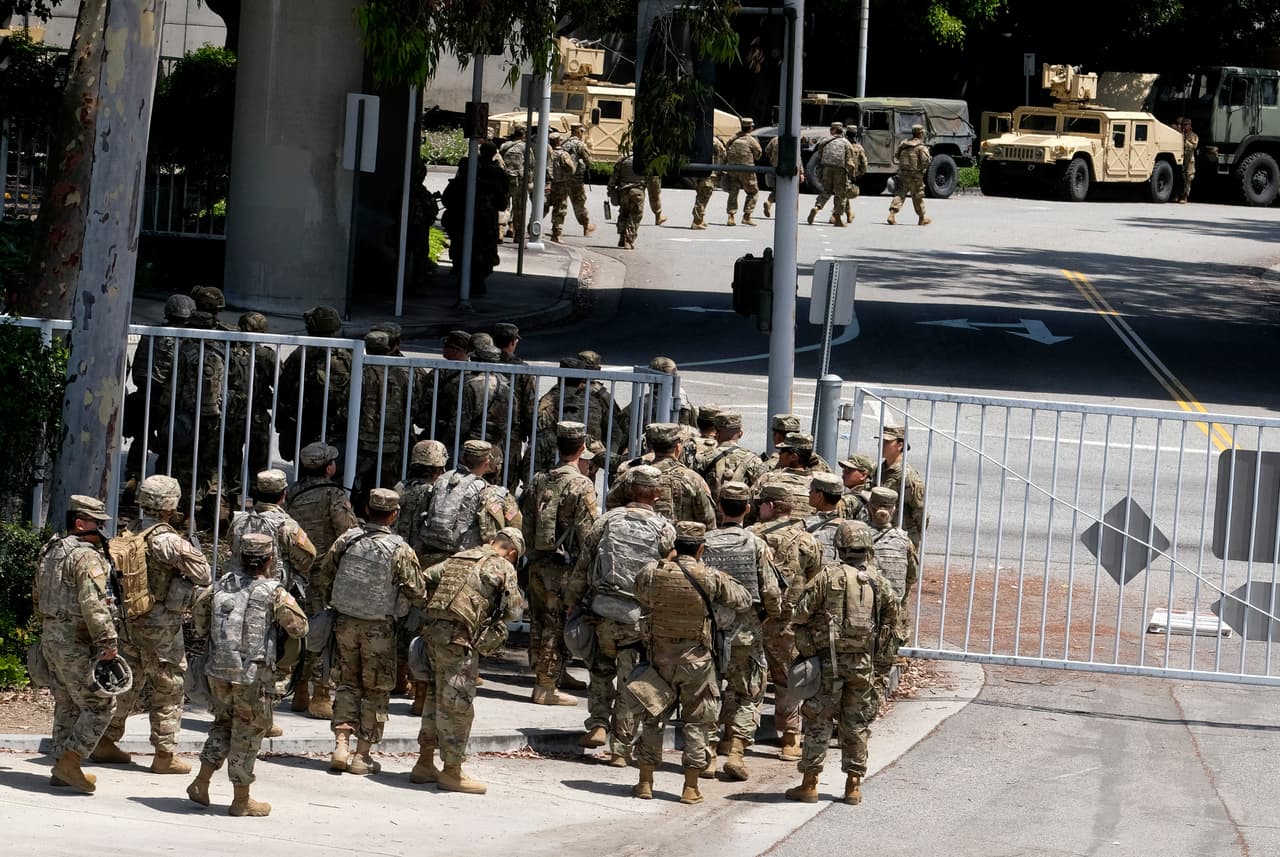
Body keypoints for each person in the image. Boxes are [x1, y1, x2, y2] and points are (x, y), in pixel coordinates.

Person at [630, 521, 752, 804]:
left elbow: (640, 595)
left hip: (658, 657)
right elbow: (744, 600)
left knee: (652, 719)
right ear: (701, 549)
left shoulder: (652, 572)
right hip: (697, 662)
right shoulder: (711, 576)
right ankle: (690, 788)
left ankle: (645, 782)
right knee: (697, 723)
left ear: (674, 547)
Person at [97, 475, 212, 773]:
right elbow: (204, 575)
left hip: (127, 620)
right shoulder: (167, 540)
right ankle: (164, 754)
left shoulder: (128, 531)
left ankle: (105, 741)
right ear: (170, 505)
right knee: (168, 686)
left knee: (124, 682)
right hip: (161, 626)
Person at [187, 534, 308, 816]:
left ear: (241, 557)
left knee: (223, 725)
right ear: (269, 560)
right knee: (248, 734)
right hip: (251, 676)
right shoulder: (273, 591)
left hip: (218, 671)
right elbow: (299, 627)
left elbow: (199, 618)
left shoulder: (221, 585)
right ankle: (241, 800)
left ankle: (201, 782)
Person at [565, 465, 676, 765]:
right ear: (657, 493)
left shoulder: (607, 521)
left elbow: (584, 565)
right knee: (630, 678)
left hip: (601, 609)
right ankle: (621, 748)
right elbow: (667, 575)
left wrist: (573, 600)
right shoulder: (665, 529)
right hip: (637, 617)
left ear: (629, 489)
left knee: (599, 668)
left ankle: (598, 724)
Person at [784, 520, 899, 805]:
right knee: (856, 724)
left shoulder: (827, 577)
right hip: (864, 665)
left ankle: (810, 784)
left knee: (818, 720)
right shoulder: (879, 582)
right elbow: (891, 629)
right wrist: (882, 669)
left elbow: (800, 613)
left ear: (839, 547)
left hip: (827, 663)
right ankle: (853, 786)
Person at [413, 528, 526, 794]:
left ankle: (424, 762)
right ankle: (452, 771)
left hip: (433, 635)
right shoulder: (503, 566)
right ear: (511, 552)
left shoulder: (460, 557)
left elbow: (425, 578)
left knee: (434, 696)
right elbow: (514, 610)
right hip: (460, 641)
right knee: (458, 705)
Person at [323, 488, 427, 775]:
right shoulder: (400, 549)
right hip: (379, 628)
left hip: (344, 622)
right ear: (394, 515)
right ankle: (363, 755)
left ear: (367, 510)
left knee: (346, 682)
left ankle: (340, 746)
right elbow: (418, 591)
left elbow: (324, 572)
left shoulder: (347, 539)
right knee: (376, 689)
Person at [34, 495, 120, 793]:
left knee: (68, 703)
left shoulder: (51, 549)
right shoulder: (85, 555)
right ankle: (70, 762)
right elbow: (93, 602)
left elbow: (37, 594)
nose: (101, 530)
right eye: (97, 524)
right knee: (101, 703)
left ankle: (62, 767)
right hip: (75, 641)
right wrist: (107, 640)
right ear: (80, 523)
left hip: (52, 636)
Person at [703, 481, 781, 782]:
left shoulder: (705, 541)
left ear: (719, 507)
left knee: (709, 693)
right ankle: (736, 750)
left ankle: (708, 754)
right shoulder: (756, 544)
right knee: (748, 693)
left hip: (710, 631)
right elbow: (771, 592)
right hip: (747, 633)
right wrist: (771, 617)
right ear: (747, 509)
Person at [284, 442, 360, 718]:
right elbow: (347, 532)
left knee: (301, 630)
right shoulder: (334, 495)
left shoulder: (292, 493)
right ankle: (321, 694)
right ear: (329, 468)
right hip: (327, 575)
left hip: (299, 572)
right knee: (325, 633)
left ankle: (300, 690)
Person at [750, 483, 823, 761]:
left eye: (761, 504)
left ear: (770, 506)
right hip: (788, 621)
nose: (759, 508)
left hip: (754, 617)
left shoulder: (752, 536)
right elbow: (815, 582)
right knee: (788, 679)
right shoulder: (808, 541)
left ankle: (736, 737)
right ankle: (790, 739)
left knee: (748, 678)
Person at [125, 293, 194, 485]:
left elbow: (136, 365)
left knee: (141, 440)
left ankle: (133, 478)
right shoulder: (186, 338)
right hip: (166, 399)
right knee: (168, 445)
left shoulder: (151, 334)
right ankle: (160, 486)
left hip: (143, 393)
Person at [275, 305, 351, 461]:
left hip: (307, 425)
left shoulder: (302, 354)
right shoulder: (348, 354)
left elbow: (284, 390)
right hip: (338, 426)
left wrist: (283, 422)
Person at [606, 424, 715, 527]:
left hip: (639, 539)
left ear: (652, 447)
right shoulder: (692, 478)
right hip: (677, 543)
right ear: (678, 447)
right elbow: (708, 519)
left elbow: (611, 505)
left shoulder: (632, 475)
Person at [441, 143, 509, 296]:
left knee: (463, 247)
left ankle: (467, 276)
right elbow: (502, 202)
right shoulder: (496, 173)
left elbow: (449, 197)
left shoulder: (468, 169)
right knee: (483, 251)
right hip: (483, 220)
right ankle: (475, 279)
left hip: (466, 219)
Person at [416, 439, 495, 571]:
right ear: (486, 463)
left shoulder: (442, 479)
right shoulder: (482, 488)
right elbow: (486, 528)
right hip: (460, 555)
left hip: (430, 548)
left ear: (463, 458)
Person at [355, 329, 413, 504]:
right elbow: (413, 406)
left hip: (362, 439)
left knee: (360, 484)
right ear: (388, 347)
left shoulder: (360, 370)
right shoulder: (402, 373)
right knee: (387, 486)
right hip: (393, 440)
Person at [867, 485, 918, 680]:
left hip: (865, 607)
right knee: (883, 666)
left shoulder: (860, 536)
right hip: (892, 613)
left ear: (870, 508)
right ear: (893, 510)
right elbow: (912, 576)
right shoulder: (904, 540)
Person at [225, 311, 276, 490]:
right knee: (260, 467)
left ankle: (229, 503)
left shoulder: (228, 351)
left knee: (230, 462)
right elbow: (283, 383)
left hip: (232, 415)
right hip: (257, 416)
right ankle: (259, 502)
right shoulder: (266, 355)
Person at [696, 410, 768, 506]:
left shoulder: (702, 458)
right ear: (741, 433)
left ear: (716, 433)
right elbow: (762, 492)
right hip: (741, 518)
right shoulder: (753, 460)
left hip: (709, 517)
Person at [873, 425, 926, 548]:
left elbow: (920, 512)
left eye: (887, 442)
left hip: (901, 535)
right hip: (881, 531)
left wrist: (913, 540)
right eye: (881, 441)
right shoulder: (879, 469)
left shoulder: (907, 475)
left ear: (900, 445)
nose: (882, 445)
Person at [417, 329, 471, 450]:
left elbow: (424, 403)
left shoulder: (439, 372)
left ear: (457, 350)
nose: (444, 348)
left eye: (447, 346)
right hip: (461, 437)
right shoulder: (474, 373)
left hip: (439, 434)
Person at [753, 432, 820, 518]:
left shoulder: (768, 478)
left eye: (782, 451)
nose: (779, 454)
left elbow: (751, 508)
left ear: (793, 457)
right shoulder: (818, 484)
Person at [806, 121, 858, 227]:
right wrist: (852, 174)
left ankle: (817, 207)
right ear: (841, 130)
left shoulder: (825, 141)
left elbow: (819, 155)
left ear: (833, 130)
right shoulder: (846, 143)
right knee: (840, 194)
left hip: (826, 169)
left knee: (826, 191)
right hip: (840, 170)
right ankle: (838, 218)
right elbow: (850, 161)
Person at [555, 123, 597, 239]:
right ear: (579, 132)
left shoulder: (564, 143)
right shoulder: (580, 145)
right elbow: (590, 162)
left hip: (561, 178)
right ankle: (586, 226)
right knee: (579, 204)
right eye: (582, 131)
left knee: (560, 204)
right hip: (575, 180)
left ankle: (556, 230)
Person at [887, 124, 932, 226]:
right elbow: (926, 161)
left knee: (900, 194)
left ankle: (892, 214)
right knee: (918, 196)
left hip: (903, 174)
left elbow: (897, 155)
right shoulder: (921, 147)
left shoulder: (904, 145)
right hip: (915, 176)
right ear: (920, 134)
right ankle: (922, 218)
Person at [725, 118, 763, 226]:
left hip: (732, 169)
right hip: (747, 170)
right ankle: (747, 216)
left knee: (733, 191)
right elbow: (758, 154)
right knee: (753, 192)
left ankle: (731, 217)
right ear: (751, 128)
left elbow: (726, 146)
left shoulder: (734, 138)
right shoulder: (751, 140)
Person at [804, 472, 848, 562]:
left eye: (812, 490)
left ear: (820, 496)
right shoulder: (847, 526)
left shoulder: (806, 524)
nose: (809, 493)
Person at [607, 150, 646, 250]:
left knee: (624, 213)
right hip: (637, 191)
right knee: (635, 215)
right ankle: (628, 240)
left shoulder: (623, 158)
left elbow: (615, 175)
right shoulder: (644, 159)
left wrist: (610, 189)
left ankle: (621, 236)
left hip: (623, 191)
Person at [499, 126, 530, 239]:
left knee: (504, 205)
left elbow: (498, 160)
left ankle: (500, 230)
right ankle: (517, 234)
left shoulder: (505, 145)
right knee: (519, 208)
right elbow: (530, 165)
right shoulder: (526, 147)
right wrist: (530, 182)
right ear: (524, 134)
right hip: (520, 182)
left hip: (505, 180)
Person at [691, 136, 727, 230]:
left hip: (695, 171)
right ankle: (697, 221)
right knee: (703, 196)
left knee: (701, 194)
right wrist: (720, 169)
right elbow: (723, 154)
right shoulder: (714, 140)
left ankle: (700, 219)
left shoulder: (695, 138)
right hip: (708, 172)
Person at [837, 453, 875, 522]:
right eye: (844, 468)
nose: (843, 472)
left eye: (849, 470)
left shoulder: (849, 499)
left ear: (863, 475)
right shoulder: (871, 495)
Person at [1178, 118, 1198, 204]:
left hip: (1189, 159)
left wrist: (1185, 141)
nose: (1184, 126)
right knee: (1180, 176)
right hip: (1180, 157)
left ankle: (1185, 195)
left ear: (1190, 126)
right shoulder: (1179, 134)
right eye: (1183, 125)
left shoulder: (1193, 136)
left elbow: (1193, 146)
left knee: (1189, 177)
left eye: (1186, 125)